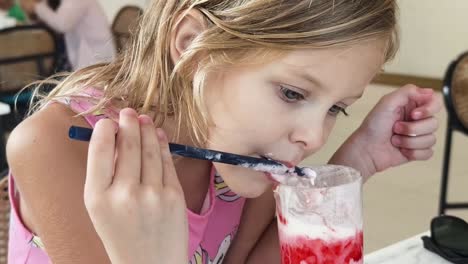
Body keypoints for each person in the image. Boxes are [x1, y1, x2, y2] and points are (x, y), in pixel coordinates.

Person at [6, 0, 441, 263]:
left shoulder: (242, 158)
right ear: (193, 46)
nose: (313, 137)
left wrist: (356, 163)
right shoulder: (57, 149)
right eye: (291, 93)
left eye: (337, 110)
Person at [19, 0, 116, 70]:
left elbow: (62, 24)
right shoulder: (60, 3)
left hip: (95, 62)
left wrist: (36, 7)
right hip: (84, 59)